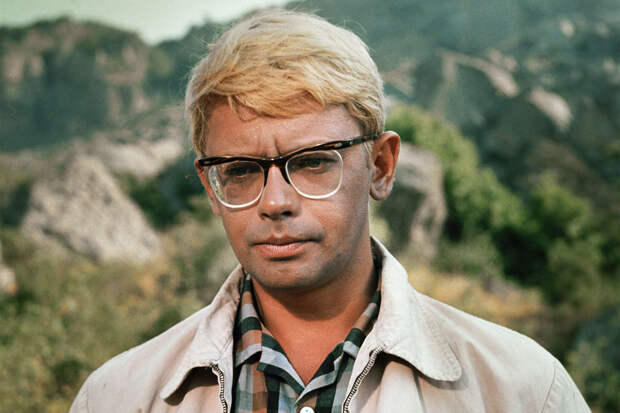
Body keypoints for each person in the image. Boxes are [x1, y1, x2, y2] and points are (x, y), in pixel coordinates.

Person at [69, 10, 589, 413]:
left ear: (381, 166)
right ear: (211, 187)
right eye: (241, 171)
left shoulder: (521, 390)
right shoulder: (118, 396)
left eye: (314, 162)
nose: (275, 202)